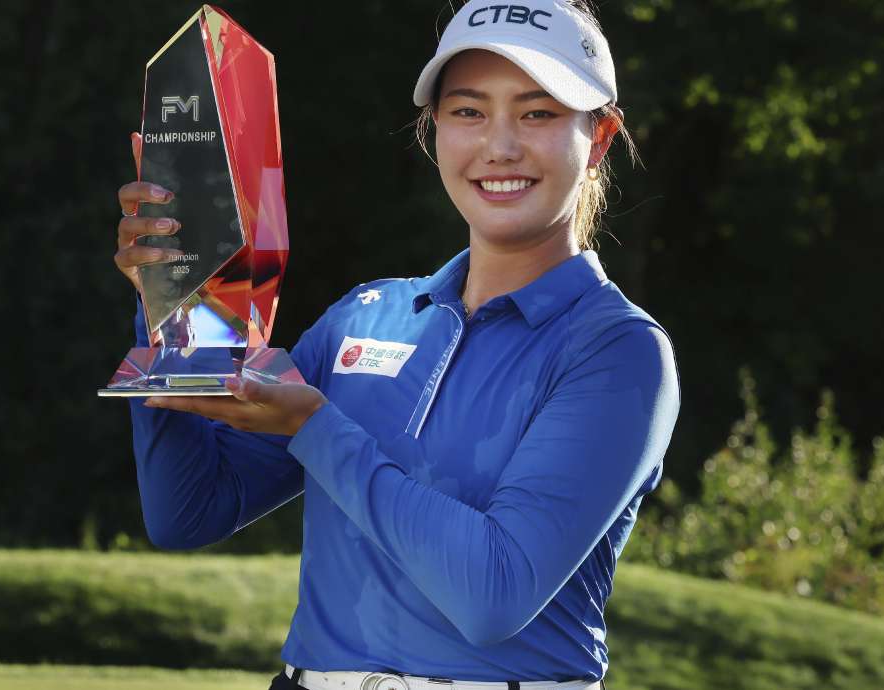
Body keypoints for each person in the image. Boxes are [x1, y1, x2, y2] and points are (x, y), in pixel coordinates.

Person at [113, 1, 679, 688]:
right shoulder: (366, 317)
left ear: (601, 138)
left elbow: (492, 594)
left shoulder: (619, 351)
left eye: (537, 113)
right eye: (468, 111)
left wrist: (316, 427)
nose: (499, 146)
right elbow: (189, 511)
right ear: (432, 129)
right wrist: (172, 305)